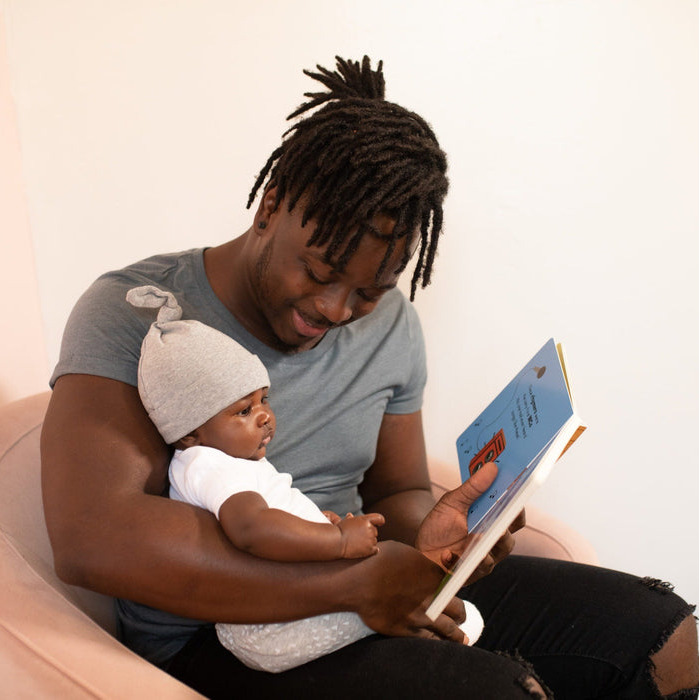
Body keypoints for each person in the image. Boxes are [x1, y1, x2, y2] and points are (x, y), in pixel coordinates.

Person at [41, 56, 698, 698]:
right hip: (221, 636)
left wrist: (438, 534)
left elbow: (400, 488)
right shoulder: (138, 312)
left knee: (662, 634)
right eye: (321, 273)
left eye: (368, 291)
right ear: (271, 206)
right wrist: (349, 585)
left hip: (362, 579)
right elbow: (95, 539)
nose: (335, 311)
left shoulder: (391, 327)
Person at [125, 283, 486, 672]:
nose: (264, 415)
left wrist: (314, 525)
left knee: (416, 598)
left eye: (264, 399)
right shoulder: (208, 464)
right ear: (188, 432)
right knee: (441, 613)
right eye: (243, 411)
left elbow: (271, 521)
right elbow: (252, 528)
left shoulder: (229, 460)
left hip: (282, 611)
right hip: (268, 626)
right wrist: (337, 541)